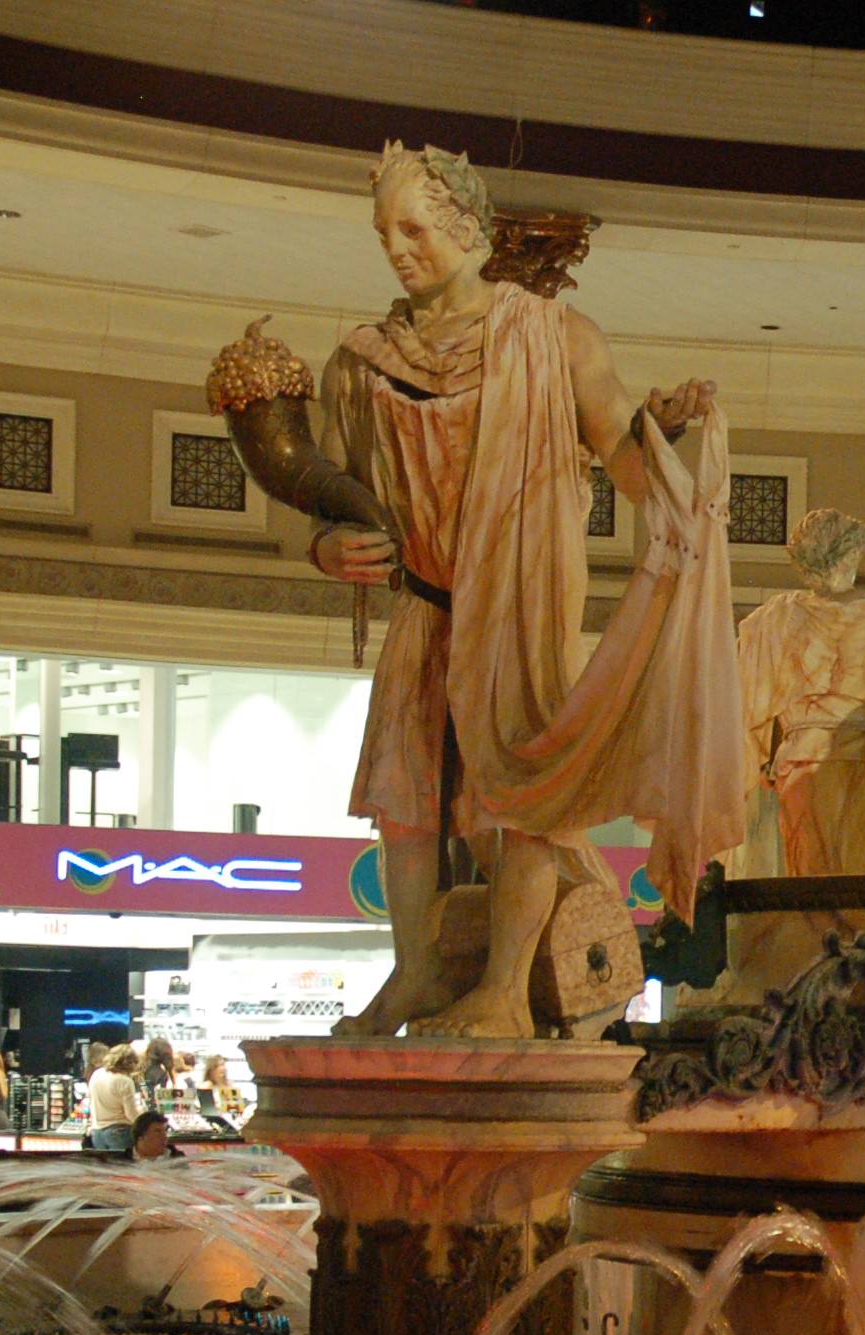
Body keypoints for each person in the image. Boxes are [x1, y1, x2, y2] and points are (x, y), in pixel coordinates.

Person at [303, 141, 741, 1039]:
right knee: (404, 801)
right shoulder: (360, 361)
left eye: (415, 229)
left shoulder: (555, 338)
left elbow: (622, 457)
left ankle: (504, 988)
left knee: (525, 802)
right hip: (424, 604)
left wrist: (660, 437)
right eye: (385, 233)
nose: (398, 249)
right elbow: (329, 492)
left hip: (517, 608)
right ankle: (416, 973)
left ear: (469, 227)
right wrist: (326, 547)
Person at [735, 510, 865, 875]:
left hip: (805, 765)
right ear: (849, 555)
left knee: (813, 883)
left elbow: (747, 703)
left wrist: (761, 760)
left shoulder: (775, 618)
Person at [84, 1045, 143, 1152]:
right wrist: (143, 1124)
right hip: (120, 1131)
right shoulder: (124, 1081)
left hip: (97, 1132)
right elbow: (130, 1114)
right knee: (122, 1163)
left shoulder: (96, 1074)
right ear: (129, 1063)